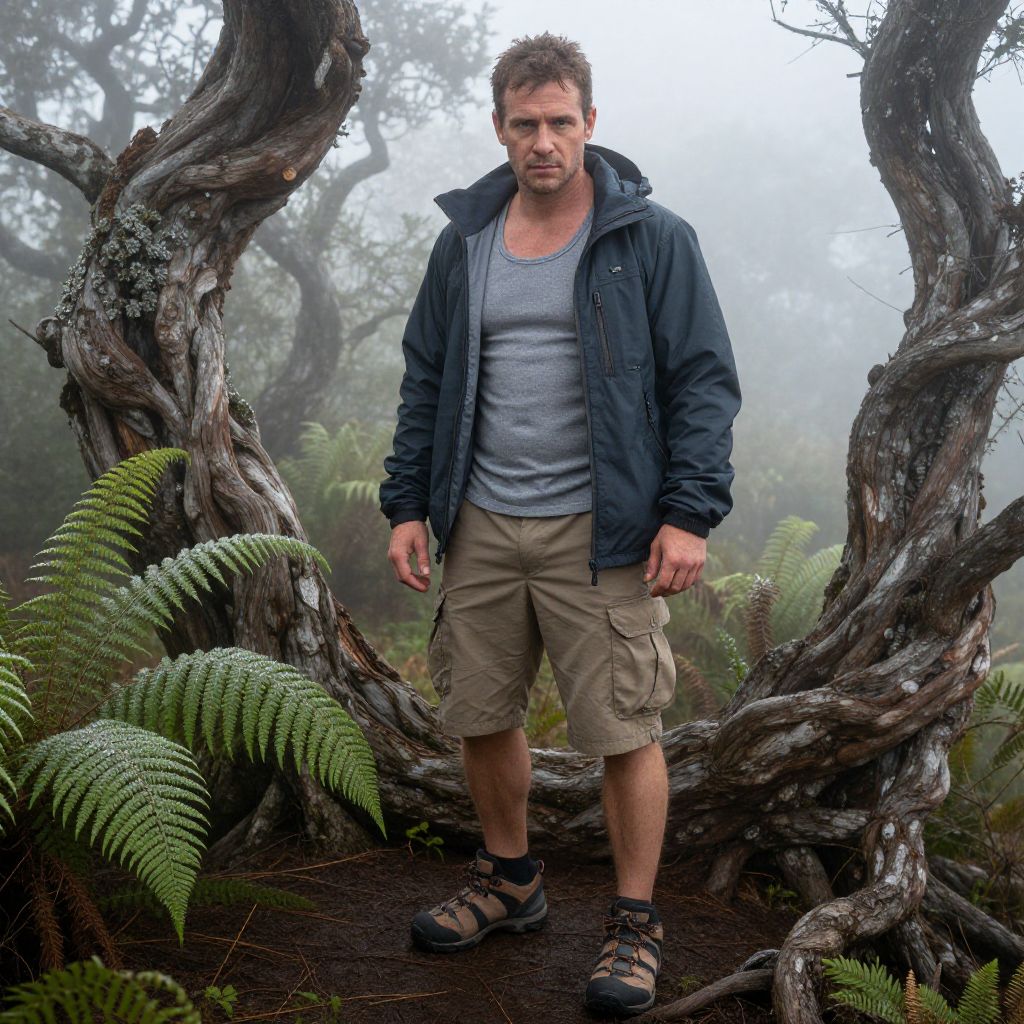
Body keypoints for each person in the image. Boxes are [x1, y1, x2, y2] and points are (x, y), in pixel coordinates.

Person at [379, 32, 741, 1019]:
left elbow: (701, 380)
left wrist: (687, 512)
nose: (544, 141)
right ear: (499, 128)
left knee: (625, 726)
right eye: (524, 123)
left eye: (560, 122)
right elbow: (426, 375)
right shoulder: (465, 243)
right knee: (480, 711)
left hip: (607, 528)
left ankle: (633, 925)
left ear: (590, 121)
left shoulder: (648, 238)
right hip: (480, 520)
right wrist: (407, 502)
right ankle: (510, 881)